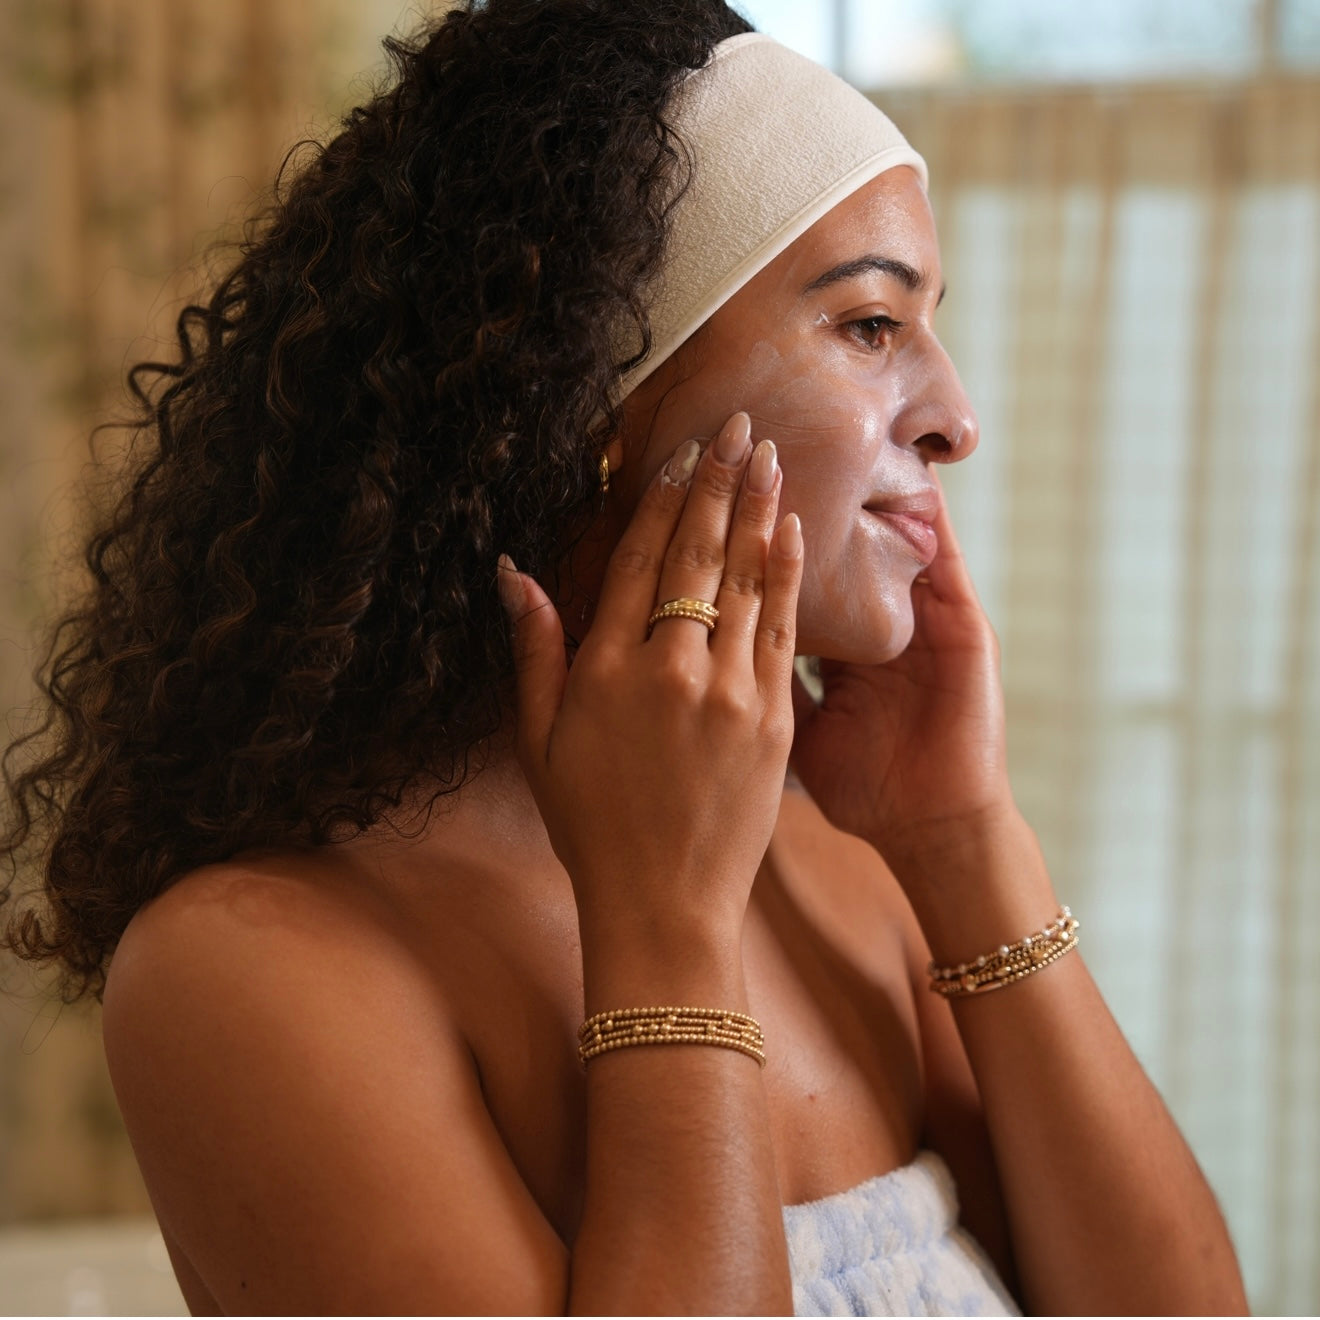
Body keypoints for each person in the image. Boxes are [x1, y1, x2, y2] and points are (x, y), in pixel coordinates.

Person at [1, 1, 1248, 1313]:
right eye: (871, 327)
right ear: (583, 394)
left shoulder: (846, 861)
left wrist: (965, 837)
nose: (955, 417)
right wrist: (661, 927)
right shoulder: (255, 966)